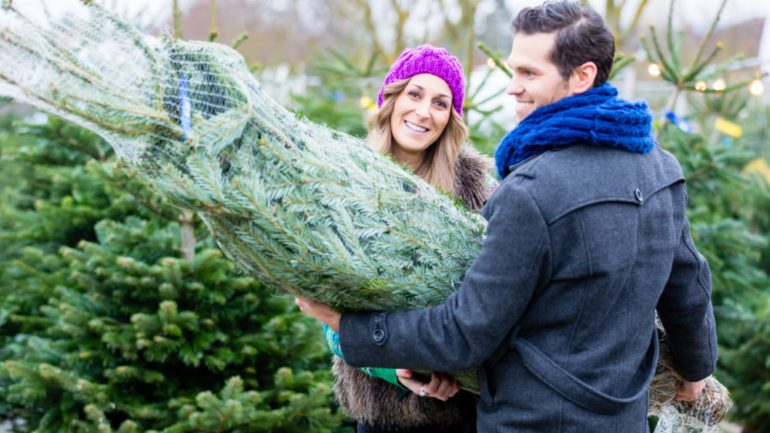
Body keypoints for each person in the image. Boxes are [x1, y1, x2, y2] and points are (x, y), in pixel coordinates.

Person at [296, 2, 718, 432]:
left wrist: (350, 328)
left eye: (530, 74)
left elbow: (465, 333)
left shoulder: (530, 192)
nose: (512, 88)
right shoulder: (661, 168)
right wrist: (696, 366)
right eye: (514, 70)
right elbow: (687, 286)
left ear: (583, 76)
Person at [322, 44, 494, 433]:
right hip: (386, 413)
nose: (423, 111)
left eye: (440, 102)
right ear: (391, 98)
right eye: (414, 94)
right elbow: (327, 317)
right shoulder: (348, 185)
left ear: (451, 117)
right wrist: (394, 367)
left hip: (466, 411)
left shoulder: (480, 193)